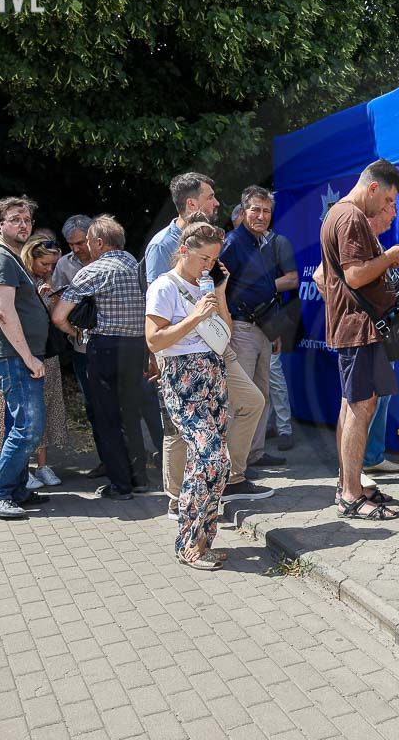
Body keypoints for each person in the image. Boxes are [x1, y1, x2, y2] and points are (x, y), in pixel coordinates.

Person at [147, 175, 272, 518]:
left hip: (216, 346)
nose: (218, 204)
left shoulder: (215, 243)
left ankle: (226, 479)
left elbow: (219, 310)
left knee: (251, 402)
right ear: (192, 204)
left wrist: (218, 289)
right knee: (177, 426)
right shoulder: (164, 246)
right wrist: (156, 355)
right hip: (180, 355)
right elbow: (157, 309)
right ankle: (177, 497)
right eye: (211, 198)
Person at [318, 159, 399, 520]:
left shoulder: (339, 215)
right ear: (373, 187)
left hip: (357, 327)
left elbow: (325, 276)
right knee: (360, 408)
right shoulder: (352, 218)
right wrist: (390, 257)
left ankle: (351, 483)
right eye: (389, 199)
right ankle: (349, 495)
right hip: (358, 329)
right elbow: (356, 275)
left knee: (354, 406)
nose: (388, 207)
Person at [146, 220, 235, 570]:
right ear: (184, 250)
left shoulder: (207, 285)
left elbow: (224, 335)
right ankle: (187, 542)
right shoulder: (164, 287)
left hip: (213, 374)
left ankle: (203, 541)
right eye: (204, 258)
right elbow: (154, 341)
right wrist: (195, 317)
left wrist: (221, 295)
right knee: (211, 458)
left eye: (214, 259)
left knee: (216, 463)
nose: (208, 266)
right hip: (183, 378)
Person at [52, 215, 150, 500]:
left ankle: (120, 485)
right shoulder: (139, 268)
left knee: (106, 417)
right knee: (130, 413)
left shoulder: (93, 271)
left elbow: (59, 316)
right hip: (137, 347)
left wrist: (76, 333)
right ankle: (139, 477)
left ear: (97, 242)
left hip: (105, 347)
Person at [0, 197, 54, 519]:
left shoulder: (9, 257)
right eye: (16, 219)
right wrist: (29, 357)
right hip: (13, 355)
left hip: (17, 355)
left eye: (27, 220)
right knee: (30, 427)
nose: (24, 225)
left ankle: (17, 487)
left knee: (18, 425)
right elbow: (4, 313)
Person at [0, 236, 69, 489]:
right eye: (44, 264)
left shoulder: (39, 282)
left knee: (38, 415)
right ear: (30, 257)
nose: (48, 270)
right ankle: (10, 478)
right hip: (21, 357)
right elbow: (4, 313)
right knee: (23, 421)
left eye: (53, 265)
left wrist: (49, 298)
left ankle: (33, 471)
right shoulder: (12, 275)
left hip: (42, 355)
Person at [218, 186, 286, 469]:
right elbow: (216, 285)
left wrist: (275, 330)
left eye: (266, 210)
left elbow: (268, 290)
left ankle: (254, 453)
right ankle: (235, 465)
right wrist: (227, 324)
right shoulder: (233, 243)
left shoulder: (263, 243)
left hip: (263, 328)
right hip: (241, 328)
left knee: (262, 395)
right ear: (244, 212)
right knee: (242, 399)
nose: (261, 215)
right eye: (255, 210)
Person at [361, 196, 399, 476]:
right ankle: (362, 461)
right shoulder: (362, 241)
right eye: (390, 208)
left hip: (385, 331)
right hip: (369, 333)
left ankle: (372, 455)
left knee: (384, 396)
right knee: (368, 400)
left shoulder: (376, 243)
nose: (393, 214)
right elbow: (323, 278)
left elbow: (380, 281)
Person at [52, 215, 100, 466]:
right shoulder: (64, 265)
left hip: (110, 340)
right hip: (81, 344)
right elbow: (57, 301)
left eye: (81, 242)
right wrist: (72, 330)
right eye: (71, 244)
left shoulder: (109, 258)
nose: (77, 249)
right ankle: (106, 460)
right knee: (92, 405)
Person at [263, 221, 300, 451]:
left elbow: (292, 279)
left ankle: (284, 428)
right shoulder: (239, 244)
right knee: (259, 378)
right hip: (246, 319)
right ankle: (268, 425)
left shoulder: (278, 243)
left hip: (272, 317)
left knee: (273, 374)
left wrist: (257, 286)